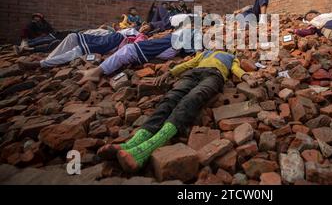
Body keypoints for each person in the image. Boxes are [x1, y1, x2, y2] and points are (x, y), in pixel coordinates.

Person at [96, 48, 257, 173]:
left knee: (192, 99)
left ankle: (146, 149)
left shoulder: (231, 57)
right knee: (171, 98)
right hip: (193, 74)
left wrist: (247, 77)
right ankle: (132, 143)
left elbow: (236, 69)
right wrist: (170, 72)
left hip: (214, 76)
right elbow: (188, 64)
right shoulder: (205, 53)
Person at [76, 28, 198, 84]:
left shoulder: (176, 40)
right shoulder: (174, 40)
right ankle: (96, 72)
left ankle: (95, 72)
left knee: (128, 50)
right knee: (128, 51)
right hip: (151, 48)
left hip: (143, 49)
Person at [18, 25, 149, 70]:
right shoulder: (127, 29)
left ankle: (41, 64)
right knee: (72, 36)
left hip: (113, 42)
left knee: (77, 51)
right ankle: (49, 59)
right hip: (108, 38)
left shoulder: (138, 34)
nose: (144, 27)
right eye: (144, 26)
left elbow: (138, 44)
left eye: (147, 27)